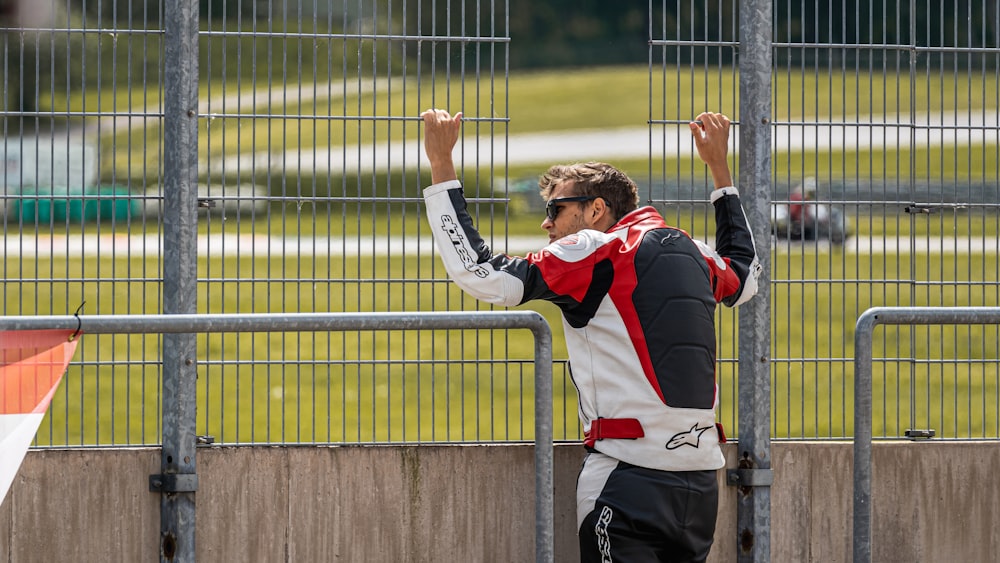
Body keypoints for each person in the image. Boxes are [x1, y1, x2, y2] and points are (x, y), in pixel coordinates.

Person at [419, 108, 761, 563]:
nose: (547, 225)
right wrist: (719, 169)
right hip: (700, 484)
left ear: (596, 210)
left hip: (627, 481)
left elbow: (482, 273)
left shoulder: (595, 248)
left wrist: (442, 165)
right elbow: (746, 276)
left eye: (555, 210)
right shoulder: (695, 250)